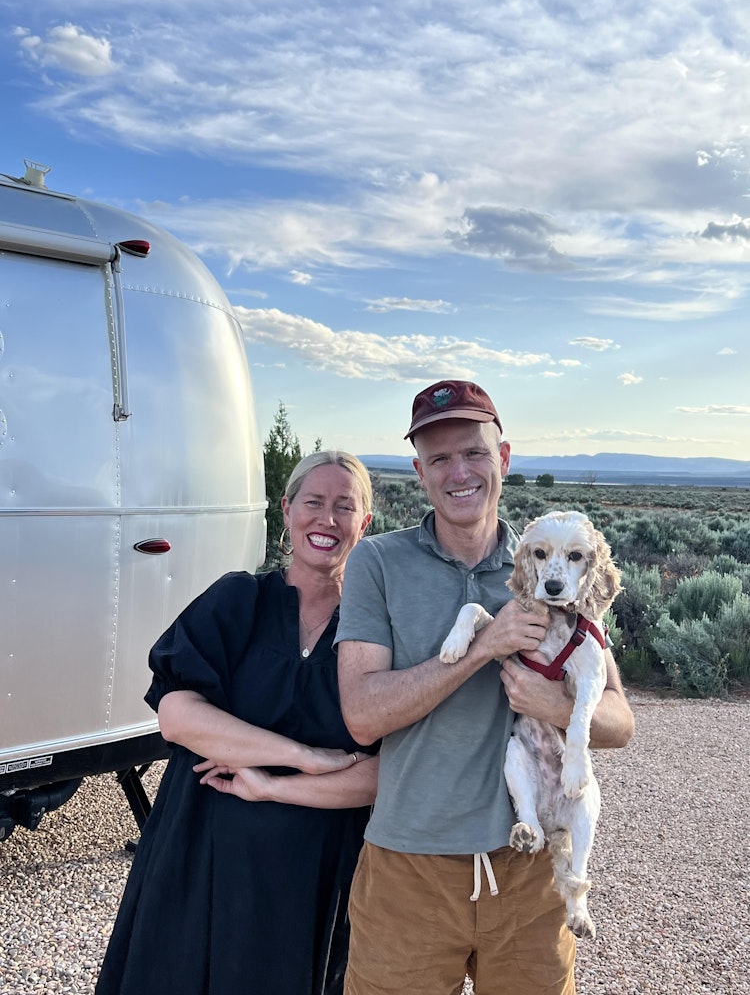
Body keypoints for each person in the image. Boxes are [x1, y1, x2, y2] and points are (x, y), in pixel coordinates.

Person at [336, 380, 634, 995]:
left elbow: (620, 720)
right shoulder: (378, 562)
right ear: (419, 471)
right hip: (408, 868)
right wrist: (485, 647)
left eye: (474, 451)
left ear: (502, 459)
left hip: (531, 874)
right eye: (439, 458)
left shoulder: (554, 561)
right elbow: (362, 716)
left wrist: (553, 704)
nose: (459, 471)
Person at [96, 451, 378, 995]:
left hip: (311, 874)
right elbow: (178, 717)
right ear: (287, 508)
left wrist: (273, 785)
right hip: (200, 851)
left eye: (345, 507)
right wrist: (304, 756)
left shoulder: (371, 635)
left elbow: (381, 774)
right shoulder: (239, 599)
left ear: (363, 525)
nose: (327, 519)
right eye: (313, 502)